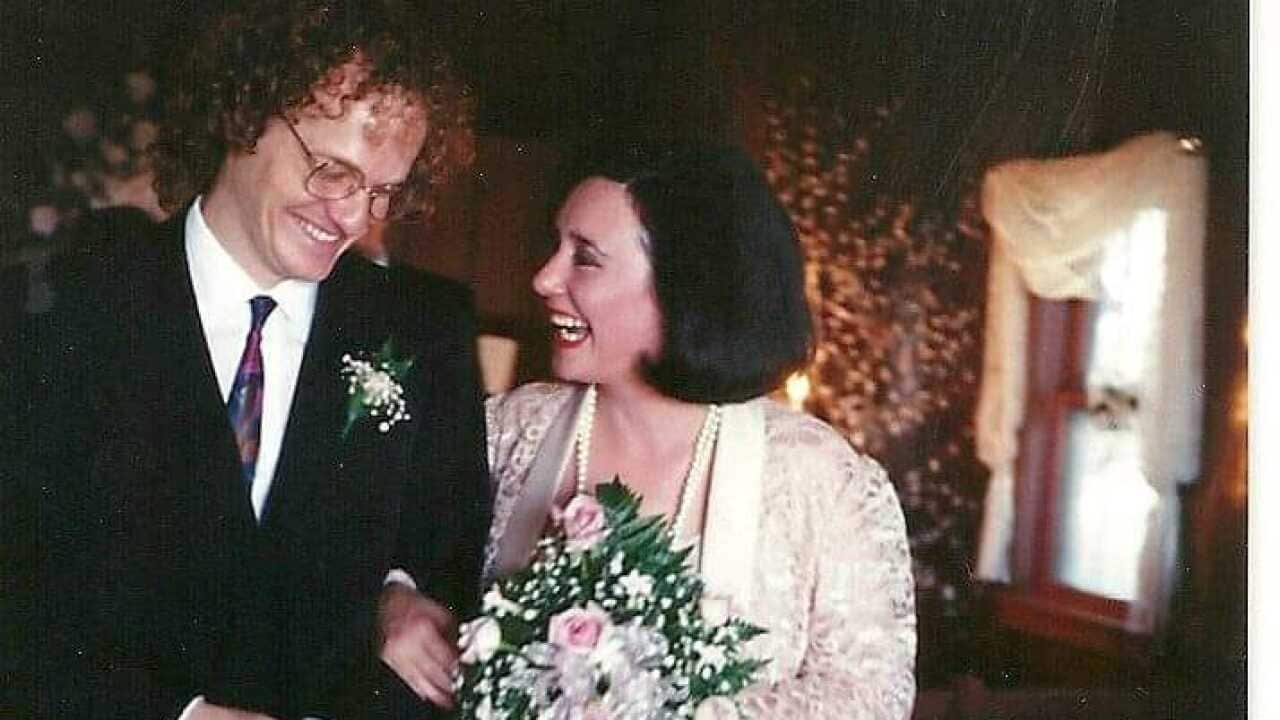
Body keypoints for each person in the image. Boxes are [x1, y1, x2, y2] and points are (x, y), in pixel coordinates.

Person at [4, 2, 491, 718]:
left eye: (383, 192)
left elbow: (452, 562)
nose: (354, 219)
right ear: (246, 114)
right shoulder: (55, 313)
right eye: (332, 171)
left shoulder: (423, 332)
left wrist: (399, 592)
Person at [483, 143, 918, 719]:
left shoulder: (818, 476)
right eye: (555, 246)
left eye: (584, 257)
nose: (544, 278)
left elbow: (869, 701)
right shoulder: (512, 427)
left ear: (681, 285)